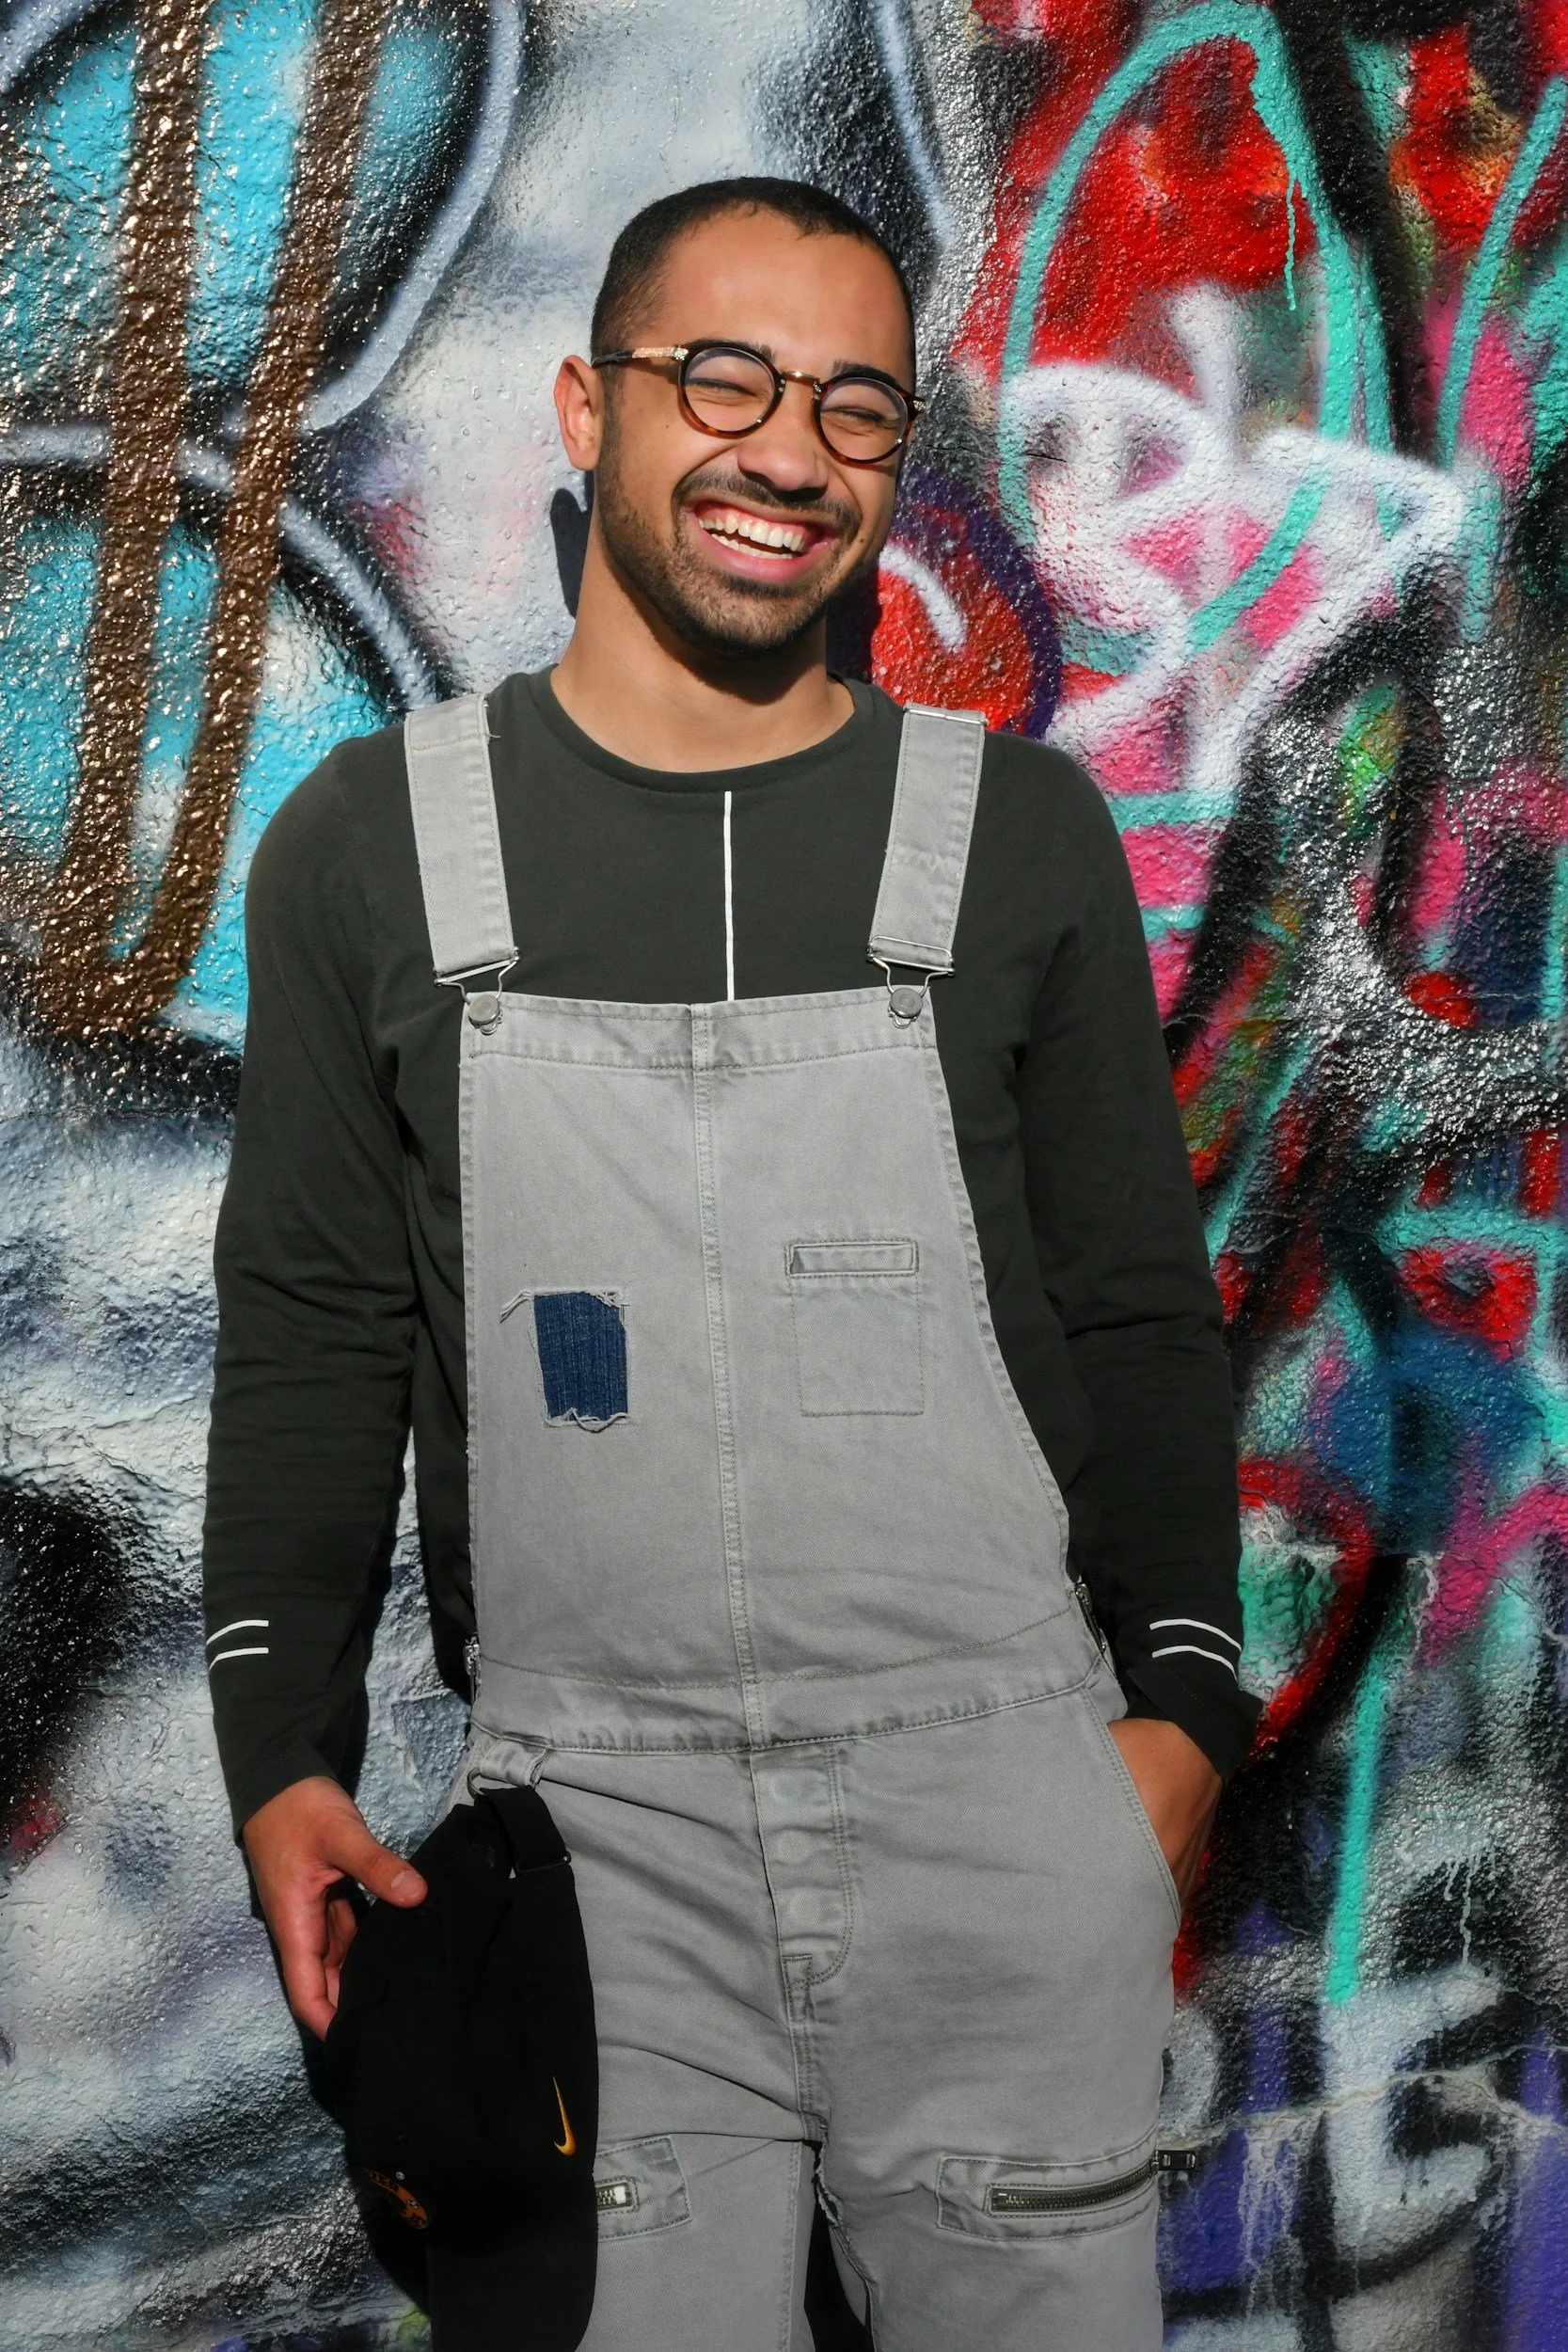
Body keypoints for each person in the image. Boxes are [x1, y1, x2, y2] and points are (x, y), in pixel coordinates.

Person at [204, 176, 1258, 2349]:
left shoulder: (1016, 834)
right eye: (727, 380)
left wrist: (1173, 1713)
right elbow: (318, 1324)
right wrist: (274, 1741)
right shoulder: (377, 848)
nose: (789, 452)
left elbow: (1134, 1307)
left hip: (999, 1816)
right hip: (591, 1844)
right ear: (590, 408)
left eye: (855, 409)